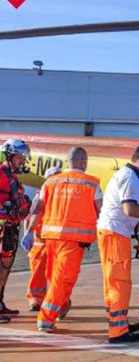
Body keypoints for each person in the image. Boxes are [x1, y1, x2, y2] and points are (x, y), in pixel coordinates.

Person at [27, 148, 103, 333]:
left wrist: (29, 231)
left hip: (51, 238)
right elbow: (102, 212)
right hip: (74, 240)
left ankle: (61, 305)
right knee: (63, 280)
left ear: (68, 162)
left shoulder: (50, 182)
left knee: (54, 278)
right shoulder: (92, 184)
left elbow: (37, 208)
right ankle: (45, 319)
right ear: (84, 162)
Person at [97, 145, 139, 344]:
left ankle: (118, 323)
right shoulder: (130, 178)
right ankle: (118, 331)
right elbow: (130, 209)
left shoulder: (126, 175)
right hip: (115, 232)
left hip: (112, 231)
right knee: (119, 281)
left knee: (113, 280)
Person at [0, 138, 32, 323]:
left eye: (23, 157)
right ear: (10, 156)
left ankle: (0, 303)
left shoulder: (13, 177)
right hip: (3, 228)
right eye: (20, 157)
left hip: (11, 228)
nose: (23, 161)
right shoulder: (1, 174)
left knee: (6, 268)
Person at [21, 166, 62, 311]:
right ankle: (36, 300)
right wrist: (28, 234)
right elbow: (30, 215)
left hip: (56, 240)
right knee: (38, 272)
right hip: (40, 240)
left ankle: (58, 300)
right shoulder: (40, 195)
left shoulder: (63, 196)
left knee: (57, 272)